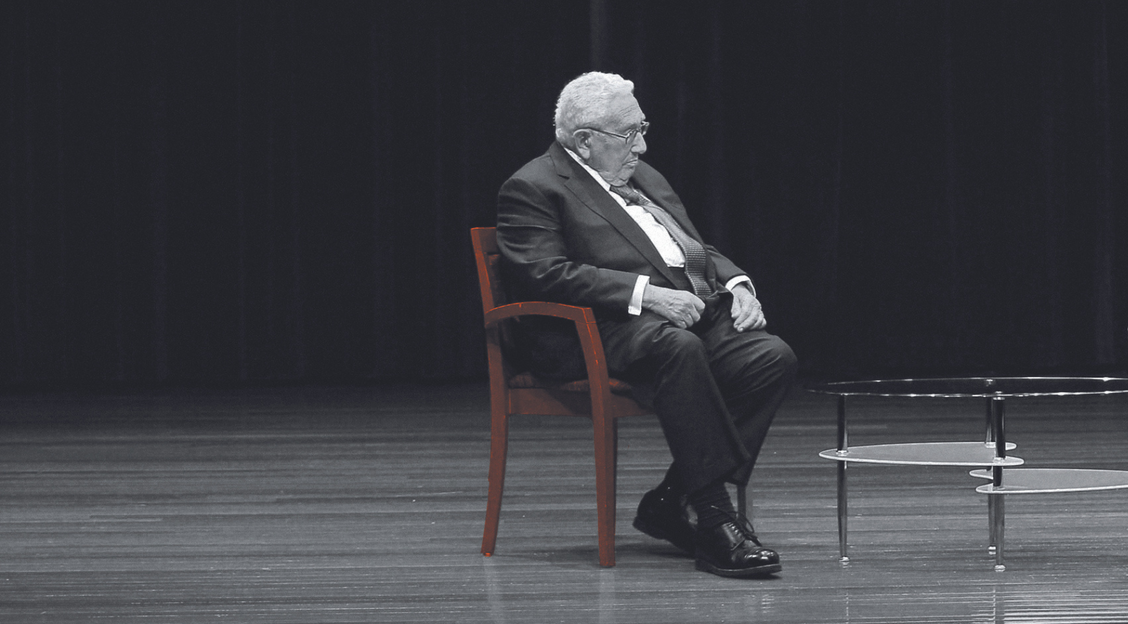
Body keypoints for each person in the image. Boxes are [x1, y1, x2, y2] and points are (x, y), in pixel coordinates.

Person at [495, 72, 797, 578]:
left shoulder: (642, 175)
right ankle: (715, 519)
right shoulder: (533, 186)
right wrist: (647, 294)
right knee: (678, 347)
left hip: (676, 319)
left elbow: (692, 248)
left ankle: (670, 499)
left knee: (769, 358)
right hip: (593, 329)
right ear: (585, 141)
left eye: (643, 128)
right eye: (629, 133)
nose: (642, 145)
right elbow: (544, 273)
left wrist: (738, 283)